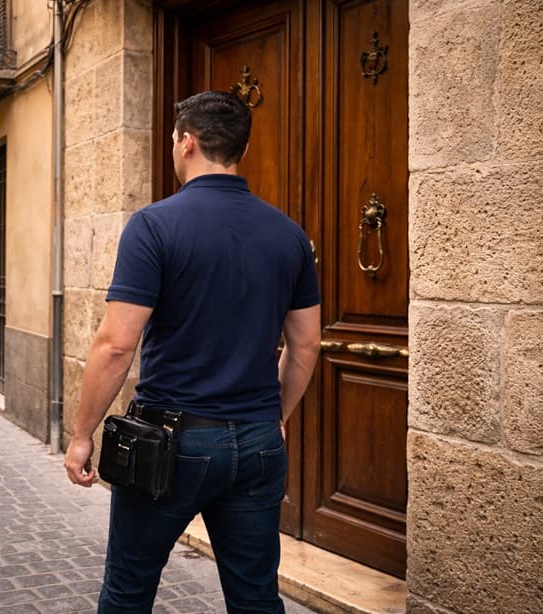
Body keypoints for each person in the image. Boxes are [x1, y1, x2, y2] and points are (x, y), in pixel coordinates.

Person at [63, 90, 321, 613]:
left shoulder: (154, 225)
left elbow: (116, 345)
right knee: (256, 598)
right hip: (257, 443)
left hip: (171, 443)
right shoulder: (290, 236)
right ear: (240, 152)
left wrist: (81, 435)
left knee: (129, 591)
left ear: (186, 142)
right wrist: (277, 416)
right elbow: (306, 345)